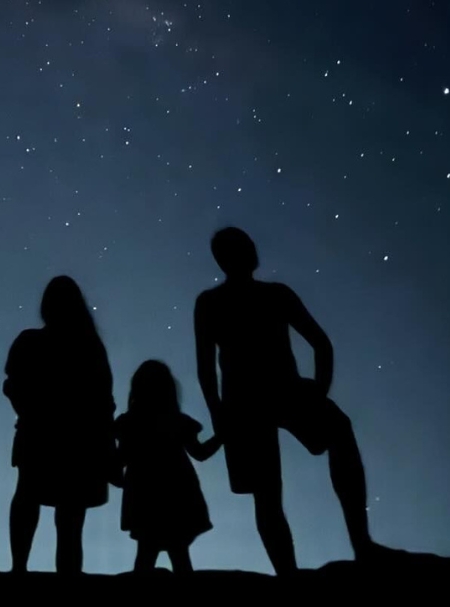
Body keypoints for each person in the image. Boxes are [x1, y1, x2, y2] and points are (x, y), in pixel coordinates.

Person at [194, 227, 382, 576]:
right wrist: (220, 415)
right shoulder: (228, 301)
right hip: (258, 399)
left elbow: (320, 344)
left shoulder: (236, 299)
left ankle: (339, 553)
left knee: (270, 490)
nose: (250, 250)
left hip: (259, 397)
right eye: (242, 247)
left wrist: (318, 391)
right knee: (268, 491)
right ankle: (344, 550)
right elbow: (206, 369)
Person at [3, 275, 115, 576]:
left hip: (40, 436)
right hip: (77, 441)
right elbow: (104, 400)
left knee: (31, 499)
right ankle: (64, 575)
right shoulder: (89, 347)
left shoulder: (31, 342)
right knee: (68, 515)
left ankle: (19, 569)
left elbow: (12, 385)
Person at [114, 359, 220, 573]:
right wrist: (223, 437)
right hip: (177, 494)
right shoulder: (177, 421)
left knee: (146, 552)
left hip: (145, 495)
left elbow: (119, 460)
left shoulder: (131, 423)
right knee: (178, 553)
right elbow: (200, 453)